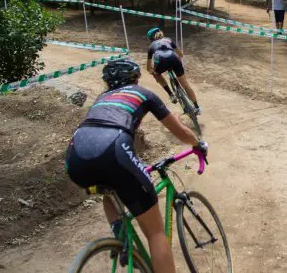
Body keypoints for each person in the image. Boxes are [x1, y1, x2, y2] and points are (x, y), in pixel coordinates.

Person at [65, 59, 205, 273]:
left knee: (109, 189)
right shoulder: (142, 93)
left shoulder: (101, 99)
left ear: (107, 83)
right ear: (135, 78)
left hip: (75, 157)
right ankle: (127, 240)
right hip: (113, 150)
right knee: (156, 233)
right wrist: (198, 144)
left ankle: (120, 235)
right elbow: (178, 130)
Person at [145, 27, 201, 115]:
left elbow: (148, 68)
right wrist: (176, 61)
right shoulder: (168, 40)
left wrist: (152, 71)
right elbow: (181, 55)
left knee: (156, 74)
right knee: (186, 85)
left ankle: (171, 94)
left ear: (151, 38)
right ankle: (197, 107)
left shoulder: (152, 45)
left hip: (160, 60)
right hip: (174, 58)